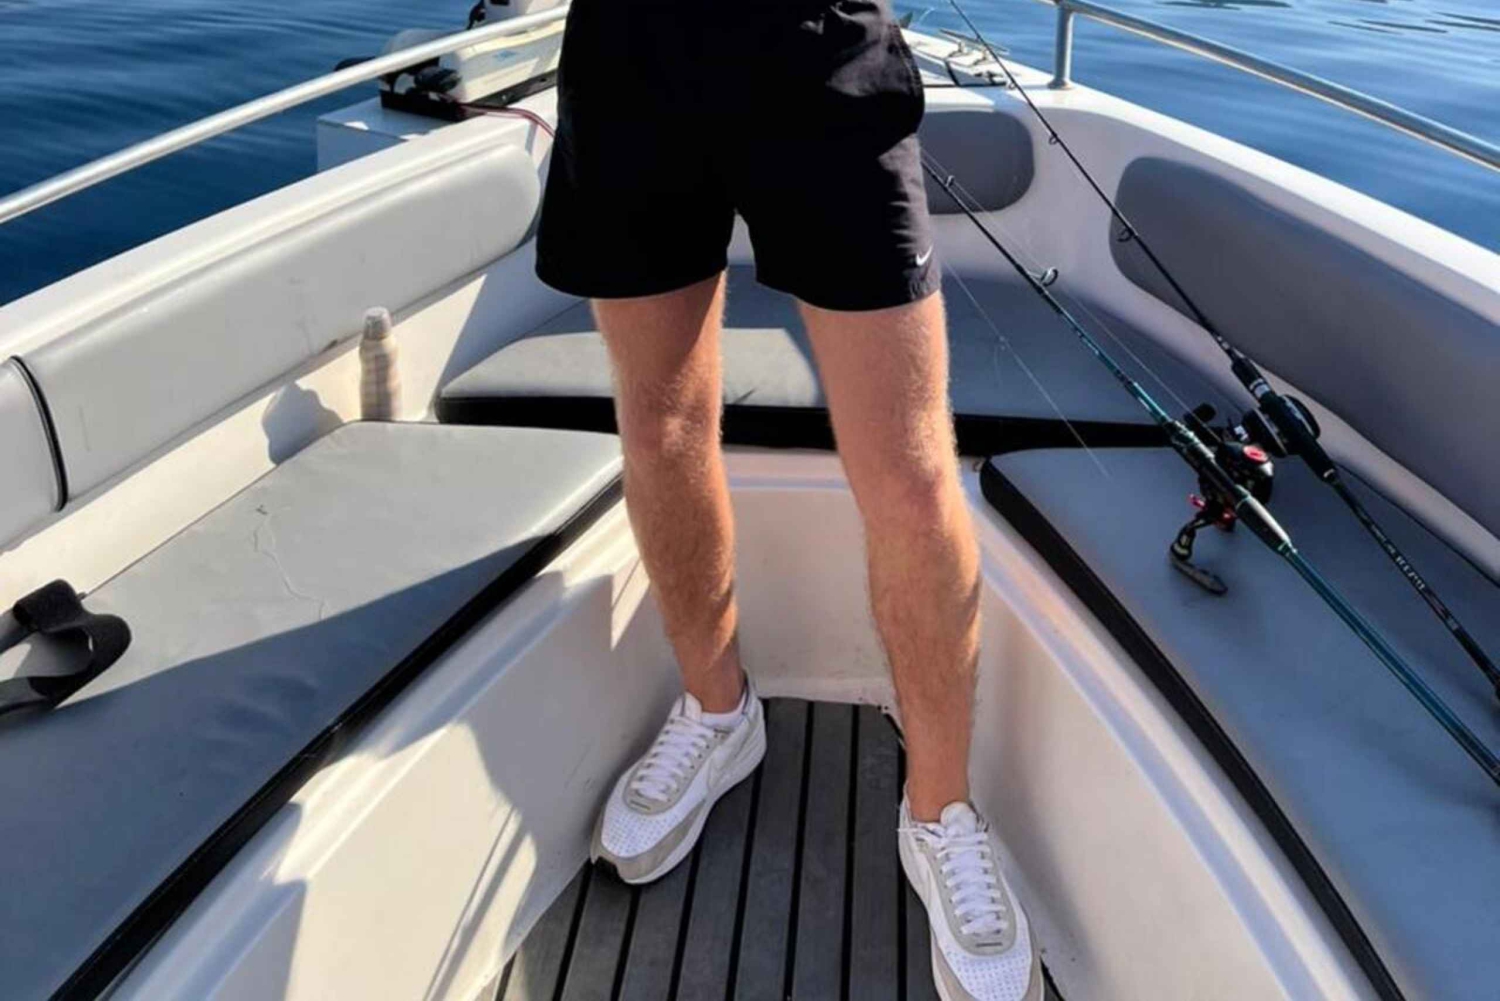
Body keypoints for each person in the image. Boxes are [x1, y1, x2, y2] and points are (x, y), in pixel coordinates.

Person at [535, 1, 1037, 997]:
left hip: (817, 45)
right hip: (629, 53)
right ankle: (719, 712)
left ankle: (941, 811)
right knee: (661, 424)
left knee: (912, 472)